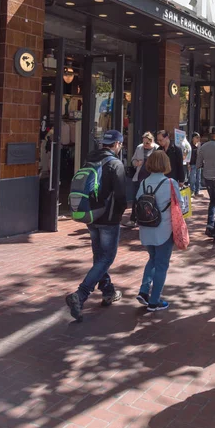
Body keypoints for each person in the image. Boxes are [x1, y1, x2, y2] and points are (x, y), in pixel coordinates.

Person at [65, 130, 127, 322]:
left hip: (91, 216)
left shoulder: (90, 160)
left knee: (99, 257)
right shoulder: (116, 164)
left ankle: (108, 291)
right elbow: (121, 196)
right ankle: (81, 294)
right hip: (108, 218)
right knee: (106, 258)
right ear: (117, 144)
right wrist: (119, 214)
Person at [136, 151, 183, 311]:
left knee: (153, 259)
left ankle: (144, 290)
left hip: (146, 229)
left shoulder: (142, 183)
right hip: (164, 229)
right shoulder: (170, 183)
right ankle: (154, 301)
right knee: (162, 264)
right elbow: (181, 206)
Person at [125, 131, 159, 227]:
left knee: (151, 199)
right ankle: (133, 219)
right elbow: (133, 159)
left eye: (147, 143)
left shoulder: (156, 148)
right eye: (144, 142)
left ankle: (151, 218)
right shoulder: (139, 147)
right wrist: (136, 163)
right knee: (136, 198)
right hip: (139, 177)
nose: (145, 145)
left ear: (152, 141)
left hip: (152, 178)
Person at [188, 132, 202, 197]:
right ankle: (192, 191)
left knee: (198, 178)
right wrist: (188, 164)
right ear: (193, 138)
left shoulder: (199, 145)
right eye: (197, 137)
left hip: (198, 164)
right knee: (192, 179)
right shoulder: (189, 145)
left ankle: (197, 191)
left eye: (199, 137)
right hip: (192, 164)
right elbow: (187, 155)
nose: (198, 139)